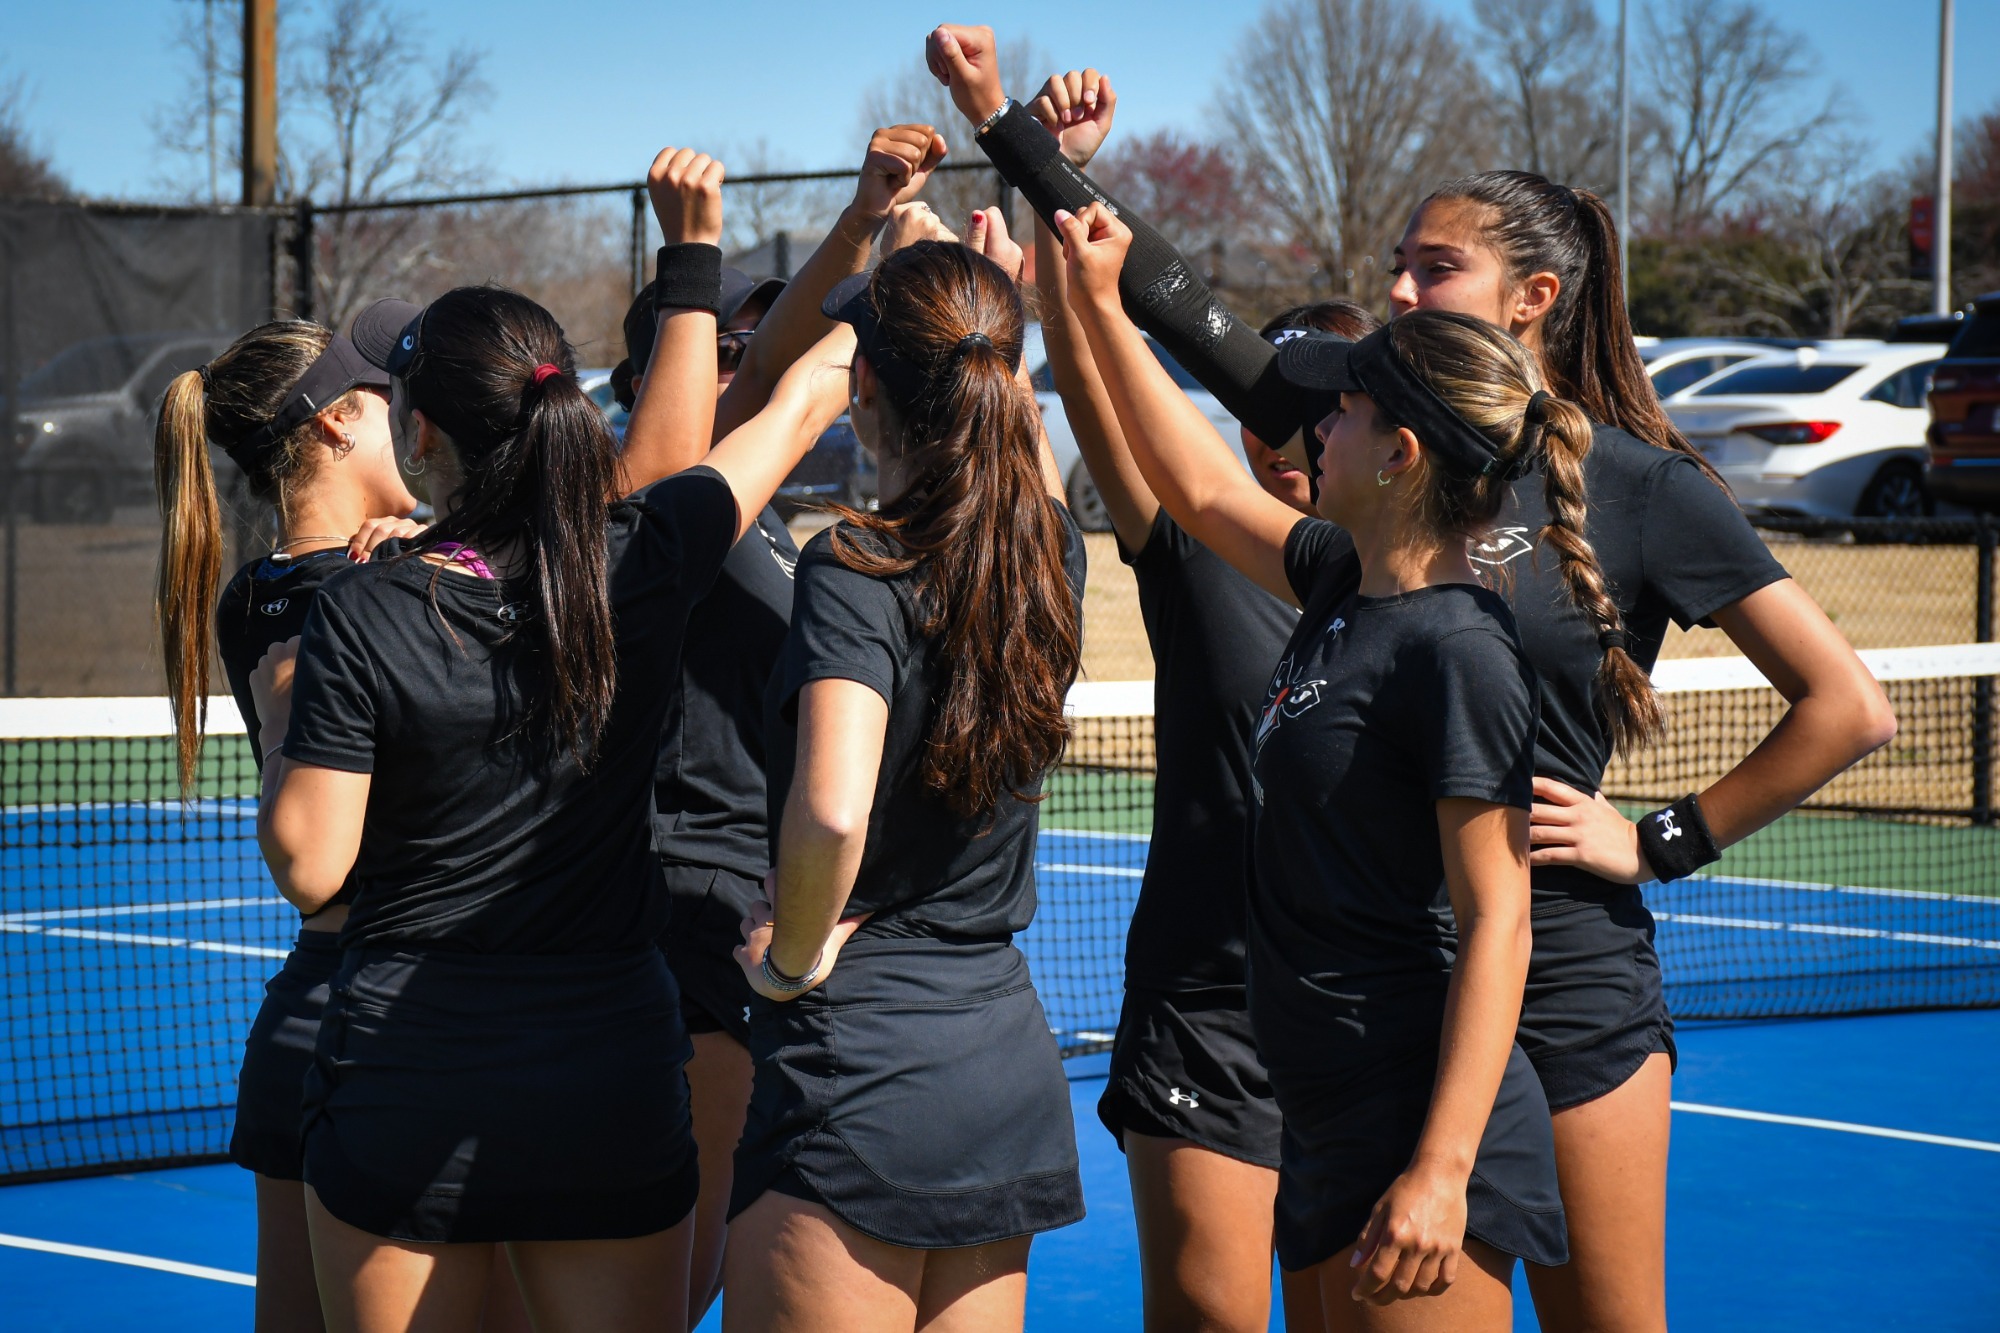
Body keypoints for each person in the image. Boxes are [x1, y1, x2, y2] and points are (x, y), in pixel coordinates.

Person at [930, 37, 1898, 1330]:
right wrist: (1014, 138)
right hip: (1393, 1005)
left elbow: (1849, 704)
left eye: (1434, 266)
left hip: (1556, 971)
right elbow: (1183, 354)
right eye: (1400, 259)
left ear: (1533, 295)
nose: (1395, 285)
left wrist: (1659, 838)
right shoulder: (1369, 504)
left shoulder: (1645, 489)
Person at [249, 150, 855, 1332]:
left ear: (420, 434)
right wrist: (853, 261)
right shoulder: (639, 559)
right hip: (607, 1079)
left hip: (406, 1078)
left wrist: (288, 708)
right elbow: (792, 406)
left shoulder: (364, 609)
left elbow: (313, 866)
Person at [1068, 199, 1607, 1324]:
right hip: (1323, 1113)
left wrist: (1440, 1170)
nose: (1317, 430)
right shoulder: (1337, 583)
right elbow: (1203, 489)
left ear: (1398, 455)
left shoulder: (1454, 645)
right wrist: (1100, 294)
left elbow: (1497, 919)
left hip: (1411, 1125)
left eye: (1344, 412)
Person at [1034, 141, 1378, 1325]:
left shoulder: (1420, 582)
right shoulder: (1182, 543)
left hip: (1365, 1013)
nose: (1275, 430)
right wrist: (1045, 174)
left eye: (1308, 403)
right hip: (1205, 1012)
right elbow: (1089, 372)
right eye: (1252, 403)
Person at [723, 226, 1086, 1333]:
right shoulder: (1052, 549)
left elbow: (833, 802)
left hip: (863, 1064)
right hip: (1002, 1061)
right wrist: (973, 304)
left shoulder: (854, 565)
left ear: (863, 382)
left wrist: (786, 960)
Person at [616, 127, 950, 1325]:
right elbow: (781, 381)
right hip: (687, 914)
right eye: (733, 341)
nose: (772, 353)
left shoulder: (744, 515)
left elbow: (783, 367)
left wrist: (869, 216)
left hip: (739, 908)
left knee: (689, 1266)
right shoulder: (660, 504)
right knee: (676, 1274)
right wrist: (894, 289)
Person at [154, 318, 427, 1332]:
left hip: (313, 1020)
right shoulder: (362, 596)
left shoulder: (261, 590)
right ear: (336, 424)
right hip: (397, 1031)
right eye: (386, 398)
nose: (412, 418)